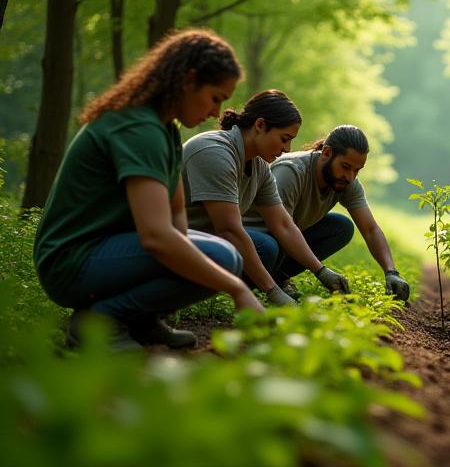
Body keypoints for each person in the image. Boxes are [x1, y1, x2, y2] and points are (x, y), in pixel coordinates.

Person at [34, 29, 265, 351]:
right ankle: (101, 322)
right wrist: (238, 289)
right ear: (188, 80)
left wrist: (192, 255)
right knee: (223, 258)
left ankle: (139, 321)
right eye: (215, 98)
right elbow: (156, 235)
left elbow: (176, 215)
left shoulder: (165, 130)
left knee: (221, 254)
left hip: (107, 248)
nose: (216, 113)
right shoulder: (137, 128)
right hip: (72, 260)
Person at [182, 90, 352, 306]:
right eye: (284, 139)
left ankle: (235, 288)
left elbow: (283, 224)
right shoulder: (214, 152)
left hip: (207, 241)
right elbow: (229, 230)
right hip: (177, 239)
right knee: (265, 247)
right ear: (260, 125)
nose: (287, 149)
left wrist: (321, 271)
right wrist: (272, 291)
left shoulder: (259, 165)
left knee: (271, 245)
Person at [244, 125, 411, 302]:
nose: (350, 176)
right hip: (255, 238)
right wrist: (320, 271)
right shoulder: (291, 171)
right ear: (326, 153)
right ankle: (265, 283)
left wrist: (391, 272)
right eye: (346, 166)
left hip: (285, 237)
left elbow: (370, 229)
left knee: (341, 227)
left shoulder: (346, 181)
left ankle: (278, 276)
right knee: (270, 247)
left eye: (357, 170)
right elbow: (281, 227)